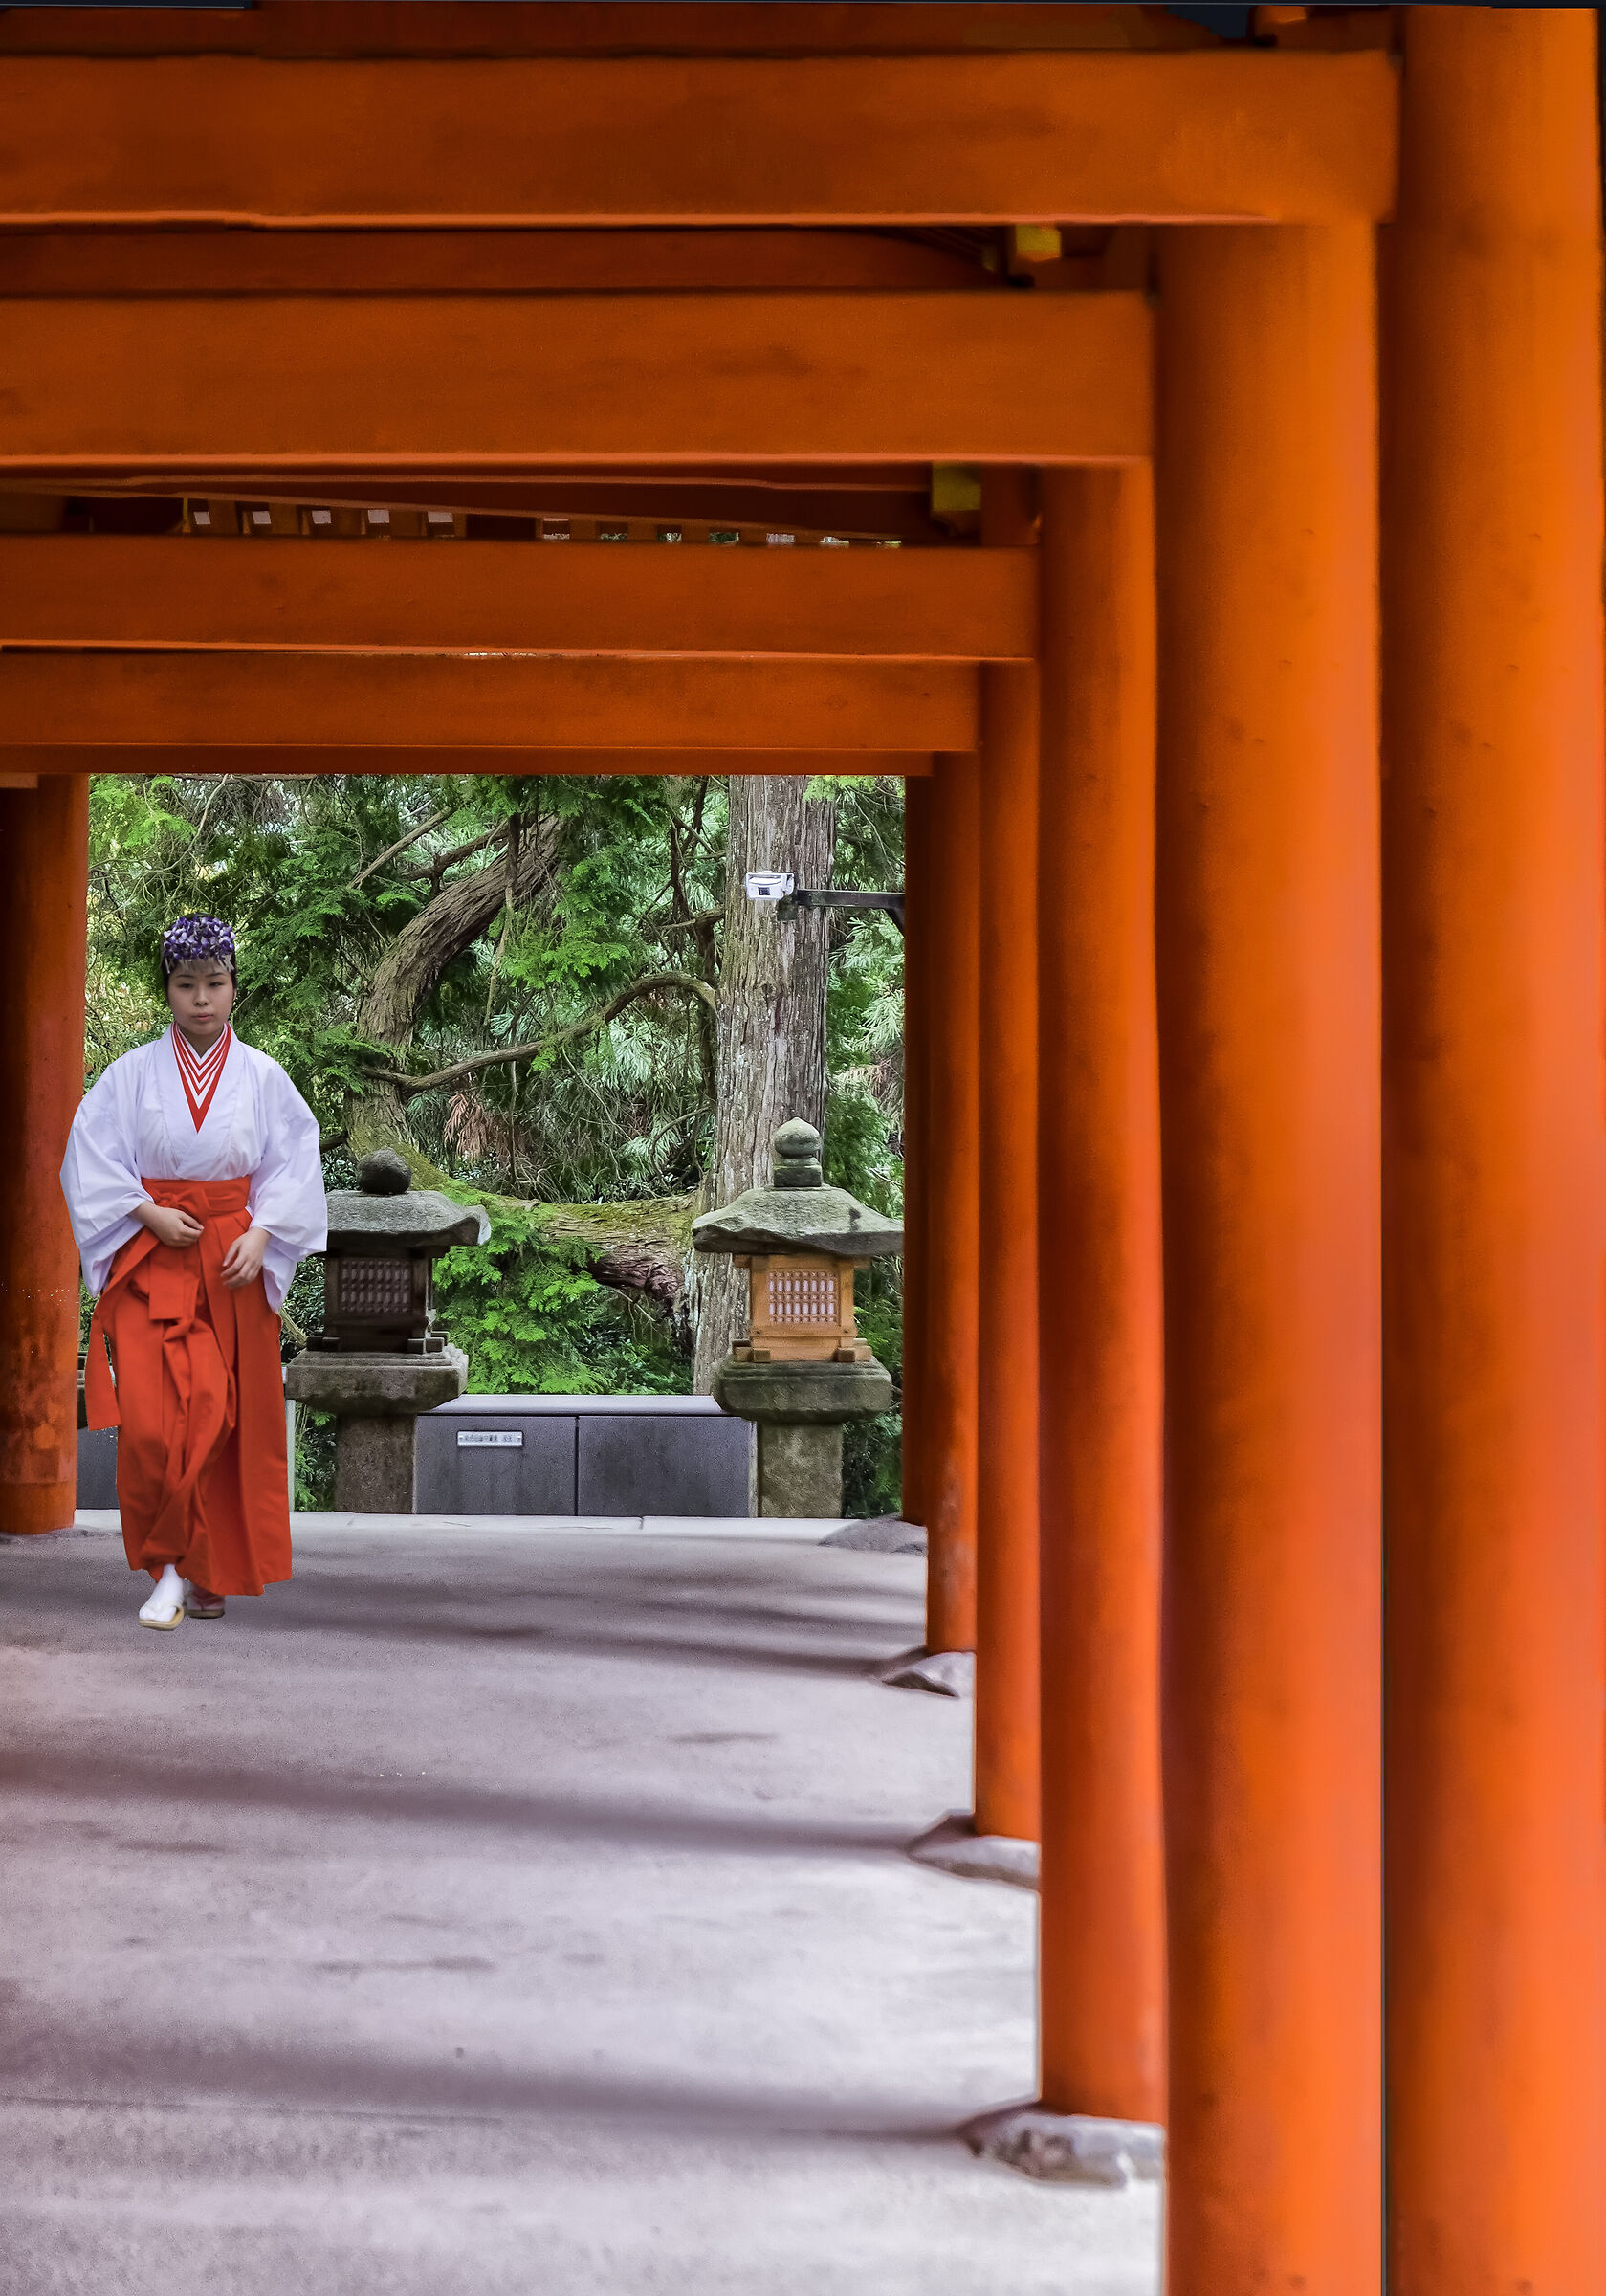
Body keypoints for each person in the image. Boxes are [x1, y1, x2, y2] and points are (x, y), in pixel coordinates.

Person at [60, 916, 326, 1629]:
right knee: (153, 1424)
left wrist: (265, 1231)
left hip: (233, 1259)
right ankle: (170, 1564)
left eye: (214, 983)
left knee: (222, 1418)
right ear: (168, 991)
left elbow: (294, 1164)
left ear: (235, 988)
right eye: (186, 985)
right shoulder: (131, 1075)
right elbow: (87, 1159)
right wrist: (144, 1212)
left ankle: (196, 1571)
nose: (200, 999)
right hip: (154, 1258)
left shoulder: (264, 1076)